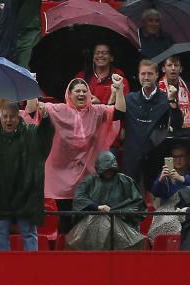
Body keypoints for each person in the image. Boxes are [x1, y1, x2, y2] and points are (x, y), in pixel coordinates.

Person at [43, 77, 127, 233]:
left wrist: (120, 89)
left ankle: (83, 255)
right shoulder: (59, 110)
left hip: (87, 176)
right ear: (69, 93)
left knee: (86, 220)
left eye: (84, 91)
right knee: (66, 219)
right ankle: (64, 251)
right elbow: (35, 111)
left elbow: (120, 112)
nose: (81, 94)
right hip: (62, 177)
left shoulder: (96, 111)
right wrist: (32, 89)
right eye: (77, 91)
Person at [0, 101, 53, 251]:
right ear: (0, 117)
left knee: (29, 233)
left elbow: (44, 137)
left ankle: (32, 269)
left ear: (19, 118)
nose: (8, 120)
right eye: (5, 116)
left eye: (12, 117)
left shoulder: (30, 133)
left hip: (25, 194)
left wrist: (45, 118)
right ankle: (1, 269)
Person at [67, 151, 147, 250]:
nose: (108, 172)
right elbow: (79, 199)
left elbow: (137, 204)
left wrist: (118, 213)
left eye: (110, 169)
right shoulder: (89, 181)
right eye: (105, 170)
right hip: (92, 225)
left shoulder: (126, 181)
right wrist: (97, 207)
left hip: (121, 224)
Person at [124, 60, 184, 190]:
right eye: (143, 74)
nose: (146, 77)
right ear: (138, 75)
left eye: (150, 74)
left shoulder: (165, 98)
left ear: (157, 75)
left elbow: (177, 124)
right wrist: (115, 93)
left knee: (155, 201)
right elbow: (114, 117)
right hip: (132, 158)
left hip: (155, 158)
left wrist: (172, 101)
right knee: (132, 201)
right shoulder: (129, 99)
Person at [148, 142, 190, 241]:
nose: (178, 160)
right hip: (168, 211)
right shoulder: (165, 175)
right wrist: (161, 180)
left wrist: (182, 179)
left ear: (188, 157)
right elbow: (156, 192)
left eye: (181, 156)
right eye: (174, 157)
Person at [159, 56, 189, 130]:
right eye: (169, 65)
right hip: (164, 132)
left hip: (186, 132)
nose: (173, 68)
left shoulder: (187, 87)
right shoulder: (156, 88)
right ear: (163, 69)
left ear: (180, 69)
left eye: (176, 65)